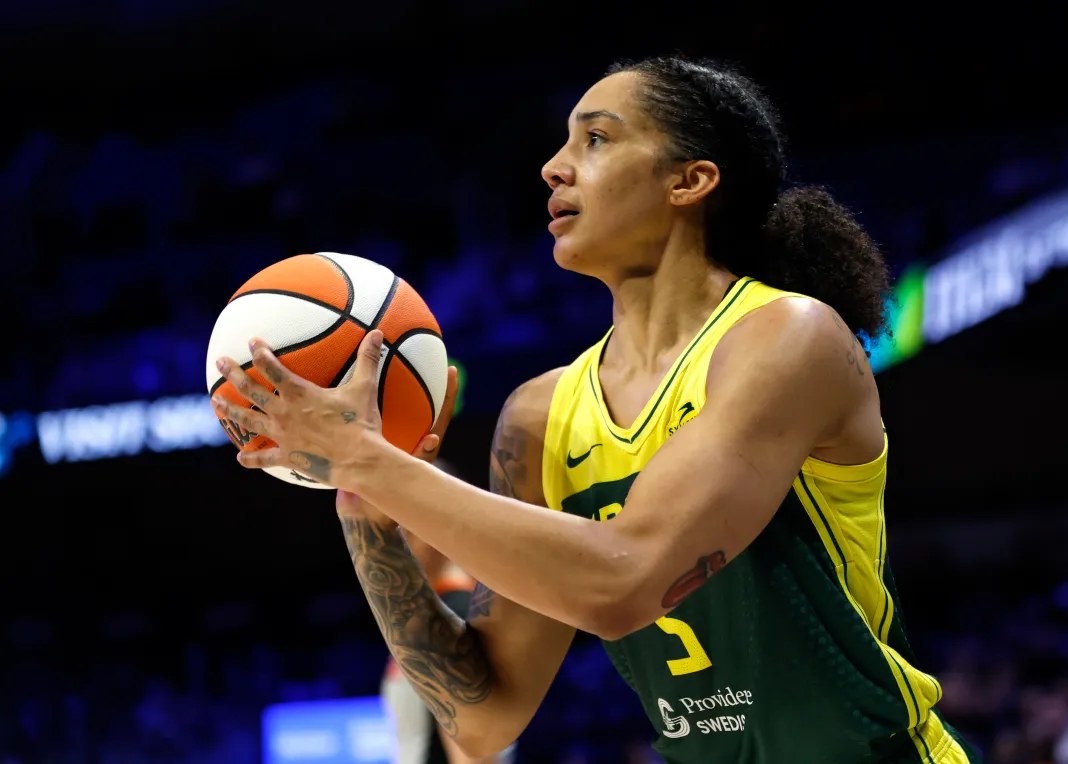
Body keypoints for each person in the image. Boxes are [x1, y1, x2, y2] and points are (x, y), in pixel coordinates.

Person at [212, 55, 980, 763]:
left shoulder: (788, 338)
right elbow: (480, 722)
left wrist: (370, 460)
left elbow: (626, 583)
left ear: (690, 181)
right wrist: (361, 501)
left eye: (597, 139)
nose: (553, 167)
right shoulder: (540, 415)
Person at [379, 459, 515, 764]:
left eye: (405, 531)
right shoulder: (440, 612)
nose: (398, 546)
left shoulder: (455, 616)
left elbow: (476, 756)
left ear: (442, 527)